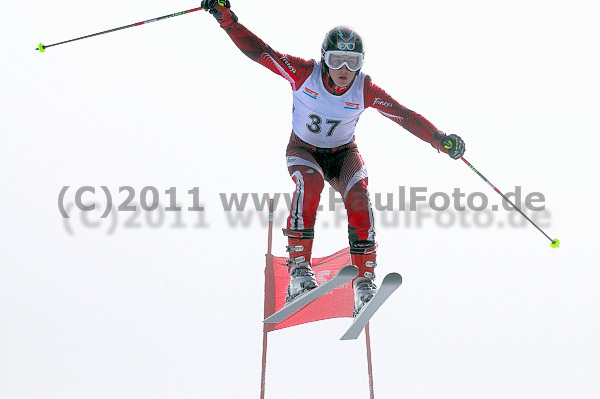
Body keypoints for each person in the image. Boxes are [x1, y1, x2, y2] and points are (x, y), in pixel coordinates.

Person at [200, 0, 466, 316]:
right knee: (310, 185)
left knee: (359, 196)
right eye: (337, 60)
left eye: (352, 63)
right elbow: (261, 52)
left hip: (343, 155)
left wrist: (439, 139)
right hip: (304, 151)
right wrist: (227, 20)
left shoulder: (364, 89)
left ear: (361, 64)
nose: (344, 71)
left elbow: (404, 116)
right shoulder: (303, 73)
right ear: (325, 60)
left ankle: (364, 282)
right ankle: (299, 269)